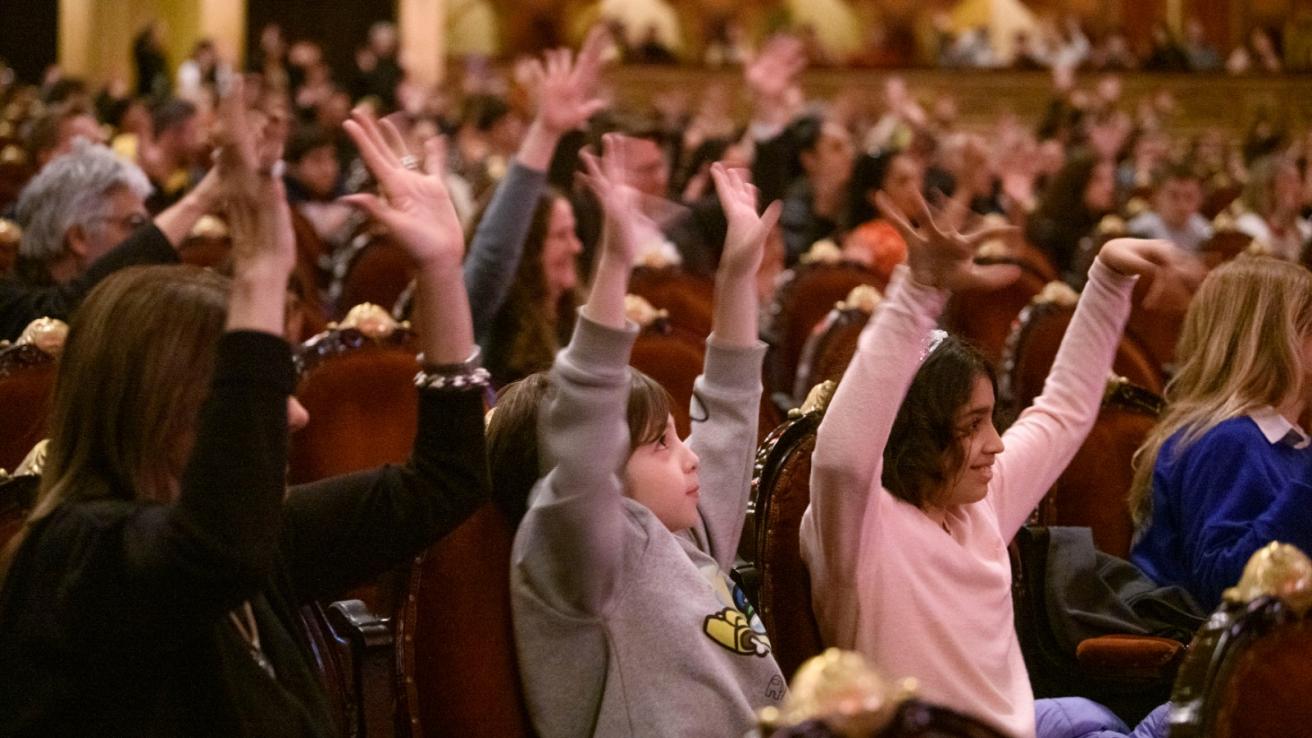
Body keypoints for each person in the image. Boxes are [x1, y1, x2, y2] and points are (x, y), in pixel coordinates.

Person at [0, 85, 488, 735]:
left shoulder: (262, 540)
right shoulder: (73, 559)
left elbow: (445, 481)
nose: (294, 416)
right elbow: (214, 552)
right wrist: (259, 273)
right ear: (156, 401)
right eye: (247, 387)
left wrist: (439, 270)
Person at [800, 188, 1191, 738]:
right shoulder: (863, 528)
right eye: (970, 426)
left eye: (992, 420)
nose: (996, 444)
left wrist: (1106, 278)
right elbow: (842, 457)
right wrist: (916, 293)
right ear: (915, 435)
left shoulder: (975, 503)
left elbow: (1063, 410)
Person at [501, 144, 786, 736]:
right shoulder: (583, 561)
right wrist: (614, 265)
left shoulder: (687, 533)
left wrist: (735, 276)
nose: (689, 455)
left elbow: (731, 410)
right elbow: (583, 431)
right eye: (660, 444)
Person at [1129, 256, 1312, 611]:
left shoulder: (1289, 443)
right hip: (1233, 658)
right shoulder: (1226, 441)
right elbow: (1224, 585)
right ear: (1269, 340)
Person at [1, 140, 221, 341]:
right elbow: (62, 314)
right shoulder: (12, 303)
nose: (139, 241)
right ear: (79, 238)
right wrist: (200, 199)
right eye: (134, 224)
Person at [1233, 155, 1310, 262]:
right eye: (1288, 181)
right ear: (1269, 189)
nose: (1297, 188)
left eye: (1298, 180)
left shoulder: (1305, 230)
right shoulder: (1248, 227)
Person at [1127, 164, 1213, 253]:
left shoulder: (1204, 232)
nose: (1182, 205)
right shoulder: (1139, 230)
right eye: (1174, 196)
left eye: (1189, 197)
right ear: (1157, 197)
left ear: (1200, 199)